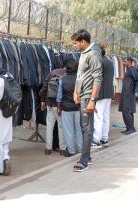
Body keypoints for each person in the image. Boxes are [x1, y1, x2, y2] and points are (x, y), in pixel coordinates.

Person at [71, 29, 102, 172]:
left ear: (83, 42)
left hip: (89, 96)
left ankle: (83, 161)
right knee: (84, 127)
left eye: (76, 43)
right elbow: (80, 75)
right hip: (82, 95)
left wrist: (92, 100)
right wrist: (76, 91)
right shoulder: (83, 54)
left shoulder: (94, 54)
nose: (74, 46)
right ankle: (87, 157)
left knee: (87, 128)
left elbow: (98, 78)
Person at [57, 56, 82, 157]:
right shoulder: (80, 80)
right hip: (78, 107)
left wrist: (59, 108)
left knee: (68, 131)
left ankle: (71, 151)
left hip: (66, 108)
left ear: (66, 69)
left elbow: (59, 96)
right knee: (79, 130)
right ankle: (80, 149)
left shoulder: (62, 80)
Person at [39, 68, 67, 156]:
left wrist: (43, 100)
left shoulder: (52, 73)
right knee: (61, 127)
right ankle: (62, 149)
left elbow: (44, 87)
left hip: (50, 104)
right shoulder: (66, 75)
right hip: (60, 105)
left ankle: (48, 148)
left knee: (49, 126)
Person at [91, 47, 114, 148]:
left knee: (98, 117)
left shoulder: (100, 62)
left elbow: (97, 79)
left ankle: (96, 140)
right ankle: (104, 138)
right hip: (109, 93)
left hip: (101, 93)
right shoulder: (109, 62)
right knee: (105, 116)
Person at [118, 57, 137, 135]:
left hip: (128, 94)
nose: (123, 63)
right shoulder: (129, 70)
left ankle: (131, 128)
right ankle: (129, 128)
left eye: (125, 61)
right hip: (126, 93)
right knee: (128, 111)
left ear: (130, 61)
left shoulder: (132, 70)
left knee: (126, 111)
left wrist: (135, 90)